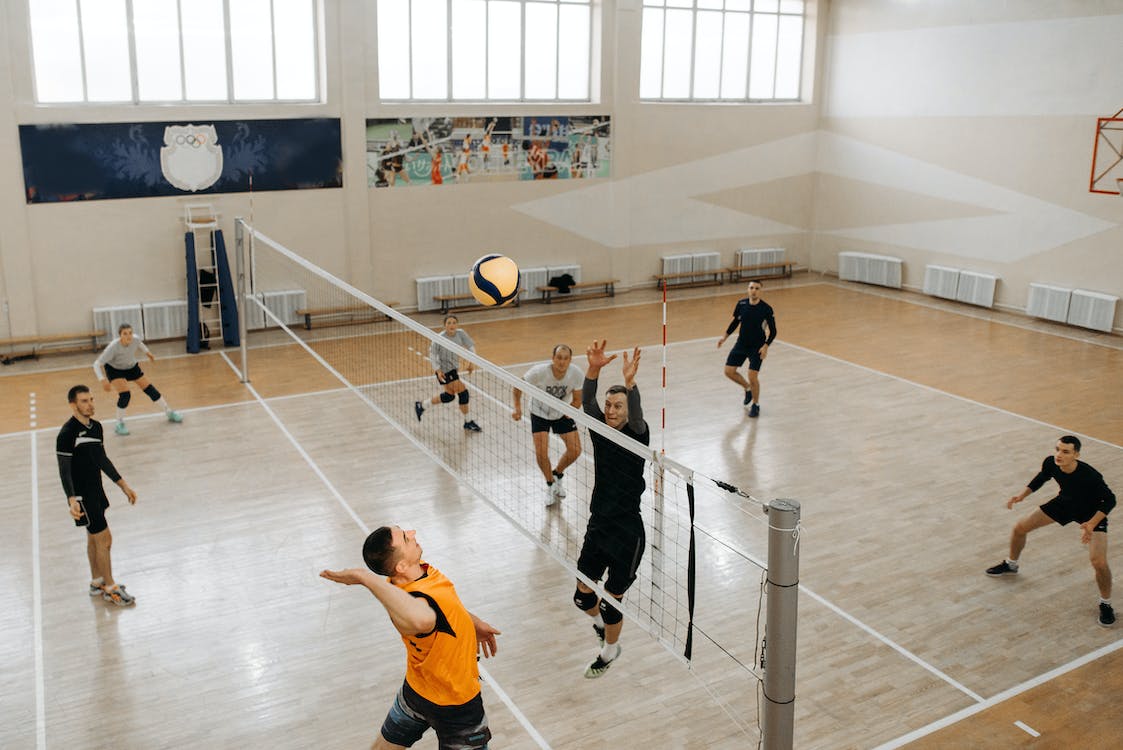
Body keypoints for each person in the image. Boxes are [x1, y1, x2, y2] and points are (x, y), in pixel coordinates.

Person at [321, 526, 501, 749]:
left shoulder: (413, 577)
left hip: (416, 692)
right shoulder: (411, 606)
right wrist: (363, 578)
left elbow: (445, 606)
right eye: (406, 538)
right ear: (401, 566)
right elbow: (424, 619)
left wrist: (472, 623)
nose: (413, 533)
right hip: (457, 705)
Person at [573, 339, 649, 678]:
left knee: (610, 600)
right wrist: (593, 368)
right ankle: (605, 627)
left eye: (618, 405)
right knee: (582, 596)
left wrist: (630, 384)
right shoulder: (601, 432)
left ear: (629, 410)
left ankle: (610, 649)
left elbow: (637, 413)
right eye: (609, 405)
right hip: (598, 525)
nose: (611, 410)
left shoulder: (637, 434)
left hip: (627, 532)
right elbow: (587, 400)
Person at [986, 436, 1116, 627]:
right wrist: (1021, 495)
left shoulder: (1090, 475)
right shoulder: (1052, 462)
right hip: (1064, 504)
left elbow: (1110, 500)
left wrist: (1091, 523)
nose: (1059, 455)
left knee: (1099, 562)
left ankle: (1106, 604)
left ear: (1076, 455)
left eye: (1065, 451)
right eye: (1057, 449)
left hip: (1091, 513)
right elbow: (1042, 477)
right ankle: (1011, 565)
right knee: (1019, 528)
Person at [56, 384, 139, 606]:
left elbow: (102, 459)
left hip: (96, 491)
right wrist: (71, 499)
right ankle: (110, 588)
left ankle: (97, 581)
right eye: (84, 401)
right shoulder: (67, 433)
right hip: (83, 496)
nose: (90, 404)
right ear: (73, 405)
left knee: (94, 538)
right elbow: (64, 470)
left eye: (91, 399)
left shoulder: (96, 428)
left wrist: (123, 485)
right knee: (105, 539)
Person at [512, 344, 584, 507]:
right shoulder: (538, 372)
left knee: (575, 450)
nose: (562, 362)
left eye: (566, 358)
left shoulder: (576, 374)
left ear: (570, 360)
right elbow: (517, 385)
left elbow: (578, 399)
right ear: (553, 358)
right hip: (540, 412)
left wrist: (571, 410)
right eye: (559, 357)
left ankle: (558, 473)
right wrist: (517, 407)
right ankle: (550, 484)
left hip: (561, 412)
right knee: (541, 453)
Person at [93, 323, 182, 435]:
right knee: (125, 395)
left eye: (130, 333)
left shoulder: (135, 339)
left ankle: (169, 412)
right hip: (115, 369)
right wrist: (102, 380)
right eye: (125, 334)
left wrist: (148, 353)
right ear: (120, 335)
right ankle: (119, 423)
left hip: (131, 366)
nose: (128, 336)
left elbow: (140, 344)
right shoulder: (113, 347)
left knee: (149, 389)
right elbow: (96, 364)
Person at [717, 280, 776, 418]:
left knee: (752, 376)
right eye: (751, 288)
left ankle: (755, 405)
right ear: (748, 289)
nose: (753, 290)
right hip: (741, 344)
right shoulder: (741, 304)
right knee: (729, 371)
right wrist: (724, 337)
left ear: (760, 291)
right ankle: (747, 388)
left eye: (756, 288)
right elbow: (735, 322)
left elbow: (773, 331)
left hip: (757, 347)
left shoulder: (766, 309)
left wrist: (766, 346)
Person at [415, 315, 481, 432]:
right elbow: (433, 355)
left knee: (449, 396)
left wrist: (472, 362)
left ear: (457, 324)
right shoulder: (439, 338)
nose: (452, 325)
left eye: (454, 322)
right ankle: (468, 422)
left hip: (453, 369)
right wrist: (438, 370)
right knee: (463, 393)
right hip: (444, 370)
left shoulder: (460, 333)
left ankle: (422, 405)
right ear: (445, 325)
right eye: (449, 323)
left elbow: (471, 347)